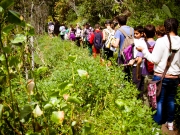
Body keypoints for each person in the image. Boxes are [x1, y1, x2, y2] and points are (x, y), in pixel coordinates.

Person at [136, 18, 180, 131]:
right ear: (177, 28)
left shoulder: (161, 41)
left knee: (159, 100)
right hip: (175, 77)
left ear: (165, 28)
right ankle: (170, 123)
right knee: (171, 99)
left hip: (160, 76)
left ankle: (156, 126)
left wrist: (144, 51)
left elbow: (154, 59)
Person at [136, 24, 156, 99]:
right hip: (156, 72)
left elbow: (139, 60)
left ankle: (146, 109)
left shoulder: (142, 44)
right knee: (155, 93)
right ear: (155, 33)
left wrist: (138, 73)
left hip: (146, 72)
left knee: (146, 94)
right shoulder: (158, 44)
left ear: (144, 33)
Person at [112, 15, 134, 81]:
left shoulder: (119, 31)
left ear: (118, 22)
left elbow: (116, 45)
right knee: (130, 72)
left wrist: (112, 43)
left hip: (122, 54)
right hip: (131, 53)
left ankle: (122, 86)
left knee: (122, 72)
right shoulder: (132, 29)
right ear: (126, 21)